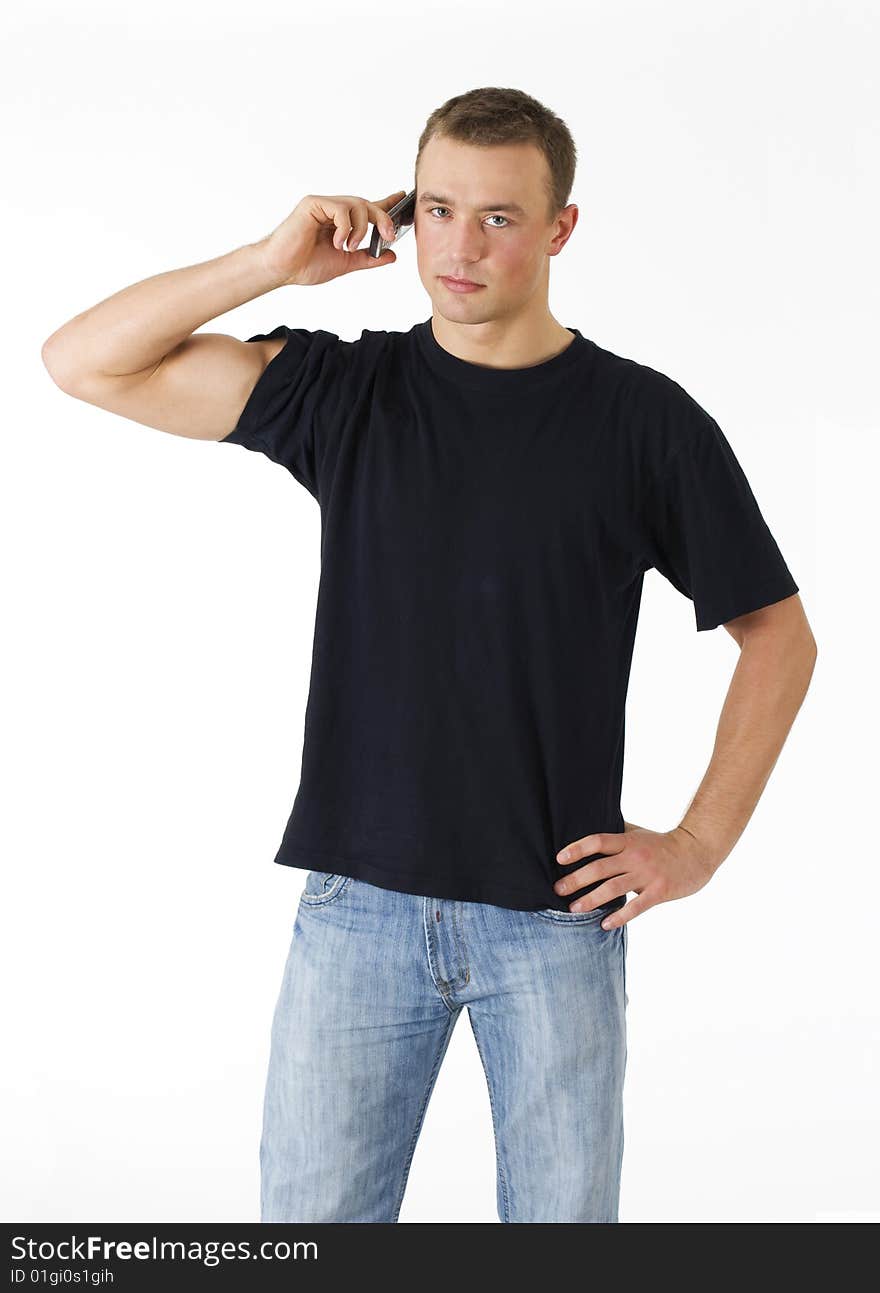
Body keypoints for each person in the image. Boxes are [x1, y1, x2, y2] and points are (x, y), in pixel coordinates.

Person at [41, 86, 817, 1224]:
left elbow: (778, 636)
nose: (460, 247)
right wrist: (268, 261)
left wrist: (697, 843)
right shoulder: (348, 391)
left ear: (560, 231)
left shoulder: (645, 425)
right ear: (408, 214)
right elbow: (82, 362)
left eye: (499, 217)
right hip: (355, 908)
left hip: (552, 918)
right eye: (438, 210)